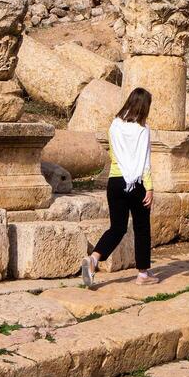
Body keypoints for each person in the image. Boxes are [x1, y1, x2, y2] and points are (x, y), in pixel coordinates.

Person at [81, 87, 156, 287]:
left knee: (117, 227)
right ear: (144, 107)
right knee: (141, 227)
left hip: (115, 181)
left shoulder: (114, 126)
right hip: (137, 183)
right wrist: (149, 188)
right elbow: (144, 161)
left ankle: (94, 259)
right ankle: (143, 274)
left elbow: (114, 155)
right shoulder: (143, 130)